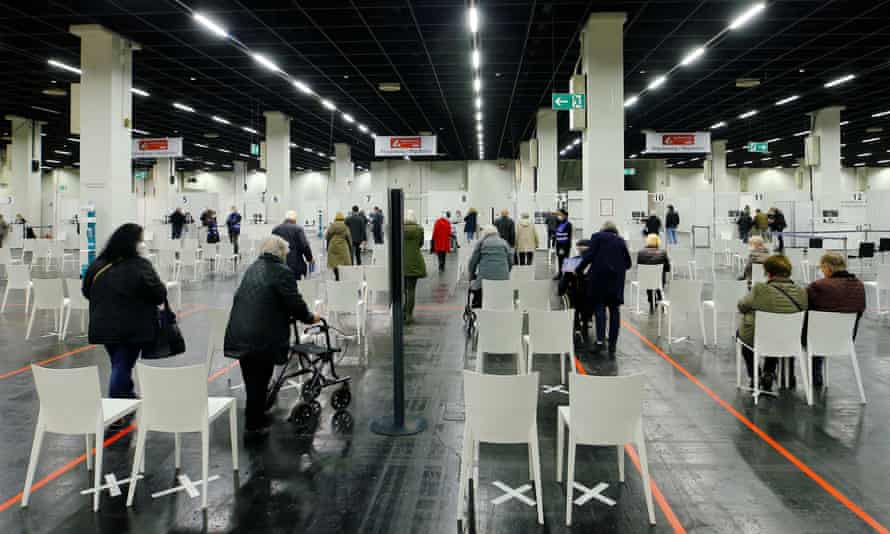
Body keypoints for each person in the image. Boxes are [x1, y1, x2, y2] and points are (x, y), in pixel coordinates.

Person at [224, 235, 321, 440]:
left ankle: (255, 416)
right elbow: (294, 302)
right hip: (262, 335)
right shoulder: (282, 271)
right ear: (280, 253)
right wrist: (310, 317)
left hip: (240, 331)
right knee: (261, 378)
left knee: (252, 379)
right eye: (286, 253)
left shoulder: (253, 268)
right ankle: (255, 424)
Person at [82, 224, 166, 409]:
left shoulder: (98, 264)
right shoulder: (140, 265)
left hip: (102, 324)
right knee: (122, 363)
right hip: (132, 327)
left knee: (120, 361)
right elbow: (159, 294)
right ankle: (117, 405)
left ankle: (126, 395)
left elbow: (87, 291)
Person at [737, 254, 808, 391]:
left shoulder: (760, 289)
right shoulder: (801, 291)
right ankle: (769, 371)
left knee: (743, 337)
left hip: (762, 337)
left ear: (768, 273)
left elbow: (742, 306)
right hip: (789, 338)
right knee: (777, 333)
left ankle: (755, 376)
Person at [804, 252, 866, 388]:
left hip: (818, 339)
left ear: (827, 268)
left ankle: (795, 376)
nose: (822, 271)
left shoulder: (818, 286)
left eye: (822, 268)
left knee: (808, 324)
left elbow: (805, 308)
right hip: (846, 339)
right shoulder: (860, 286)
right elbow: (860, 312)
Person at [576, 221, 632, 356]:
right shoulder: (621, 241)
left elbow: (588, 257)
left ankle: (600, 342)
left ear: (603, 229)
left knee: (599, 309)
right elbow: (628, 263)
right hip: (615, 282)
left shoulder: (597, 237)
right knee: (614, 311)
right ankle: (613, 344)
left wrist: (578, 270)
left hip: (599, 280)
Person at [468, 225, 512, 308]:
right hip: (503, 279)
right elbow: (511, 261)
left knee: (477, 288)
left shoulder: (481, 243)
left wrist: (471, 276)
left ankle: (479, 308)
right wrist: (506, 271)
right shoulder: (504, 242)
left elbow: (473, 261)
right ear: (496, 233)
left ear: (485, 234)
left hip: (484, 280)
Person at [559, 239, 593, 337]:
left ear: (578, 249)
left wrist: (561, 291)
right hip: (591, 295)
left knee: (571, 298)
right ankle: (586, 321)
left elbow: (564, 282)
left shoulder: (571, 261)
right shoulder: (596, 262)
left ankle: (577, 325)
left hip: (575, 294)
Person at [272, 210, 314, 280]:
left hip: (279, 265)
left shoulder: (275, 230)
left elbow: (272, 248)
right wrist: (310, 258)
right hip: (296, 266)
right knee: (295, 286)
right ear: (295, 219)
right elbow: (304, 246)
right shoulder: (298, 229)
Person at [636, 234, 671, 313]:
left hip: (645, 281)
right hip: (659, 280)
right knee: (658, 278)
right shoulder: (663, 252)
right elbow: (668, 268)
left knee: (649, 278)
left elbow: (639, 267)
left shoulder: (641, 252)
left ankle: (651, 302)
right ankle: (660, 299)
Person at [403, 210, 427, 324]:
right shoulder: (419, 230)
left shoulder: (399, 230)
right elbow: (421, 244)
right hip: (415, 262)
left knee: (402, 290)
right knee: (411, 290)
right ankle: (409, 315)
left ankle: (401, 311)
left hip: (401, 262)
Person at [325, 212, 353, 280]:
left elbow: (326, 236)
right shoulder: (345, 227)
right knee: (343, 262)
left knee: (334, 262)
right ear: (343, 219)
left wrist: (328, 246)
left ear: (335, 218)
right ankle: (342, 277)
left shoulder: (332, 226)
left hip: (333, 246)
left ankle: (337, 275)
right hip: (343, 247)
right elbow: (349, 238)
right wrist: (350, 248)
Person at [553, 209, 572, 278]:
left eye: (559, 214)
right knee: (560, 260)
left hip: (564, 246)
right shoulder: (560, 223)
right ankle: (560, 273)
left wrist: (563, 248)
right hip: (559, 245)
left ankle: (566, 275)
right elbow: (557, 234)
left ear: (564, 215)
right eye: (558, 215)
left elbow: (568, 237)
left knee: (565, 260)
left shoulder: (568, 224)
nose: (558, 216)